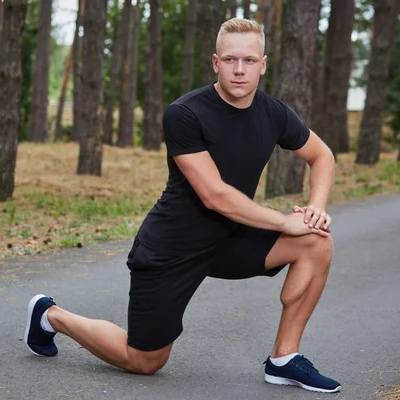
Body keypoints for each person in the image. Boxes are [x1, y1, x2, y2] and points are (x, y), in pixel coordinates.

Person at [24, 18, 340, 393]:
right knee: (145, 361)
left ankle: (284, 359)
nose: (240, 69)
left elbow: (322, 156)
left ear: (264, 64)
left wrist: (316, 209)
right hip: (172, 246)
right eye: (230, 59)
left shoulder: (274, 113)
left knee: (316, 241)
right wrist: (283, 222)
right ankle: (51, 315)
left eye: (250, 61)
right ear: (215, 62)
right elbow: (215, 195)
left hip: (231, 238)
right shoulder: (185, 113)